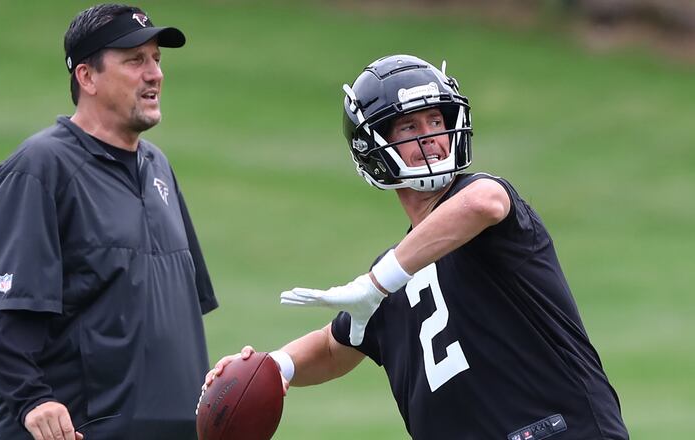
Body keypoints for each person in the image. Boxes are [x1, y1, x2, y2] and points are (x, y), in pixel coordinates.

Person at [206, 54, 628, 439]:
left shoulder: (482, 206)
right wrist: (273, 367)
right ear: (371, 147)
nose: (430, 137)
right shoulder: (394, 273)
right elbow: (335, 347)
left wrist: (377, 283)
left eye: (436, 122)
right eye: (410, 126)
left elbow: (483, 203)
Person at [0, 4, 217, 439]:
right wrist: (33, 400)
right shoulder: (39, 168)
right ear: (87, 77)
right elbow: (3, 312)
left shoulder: (158, 168)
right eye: (135, 60)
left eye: (157, 59)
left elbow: (173, 324)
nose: (155, 74)